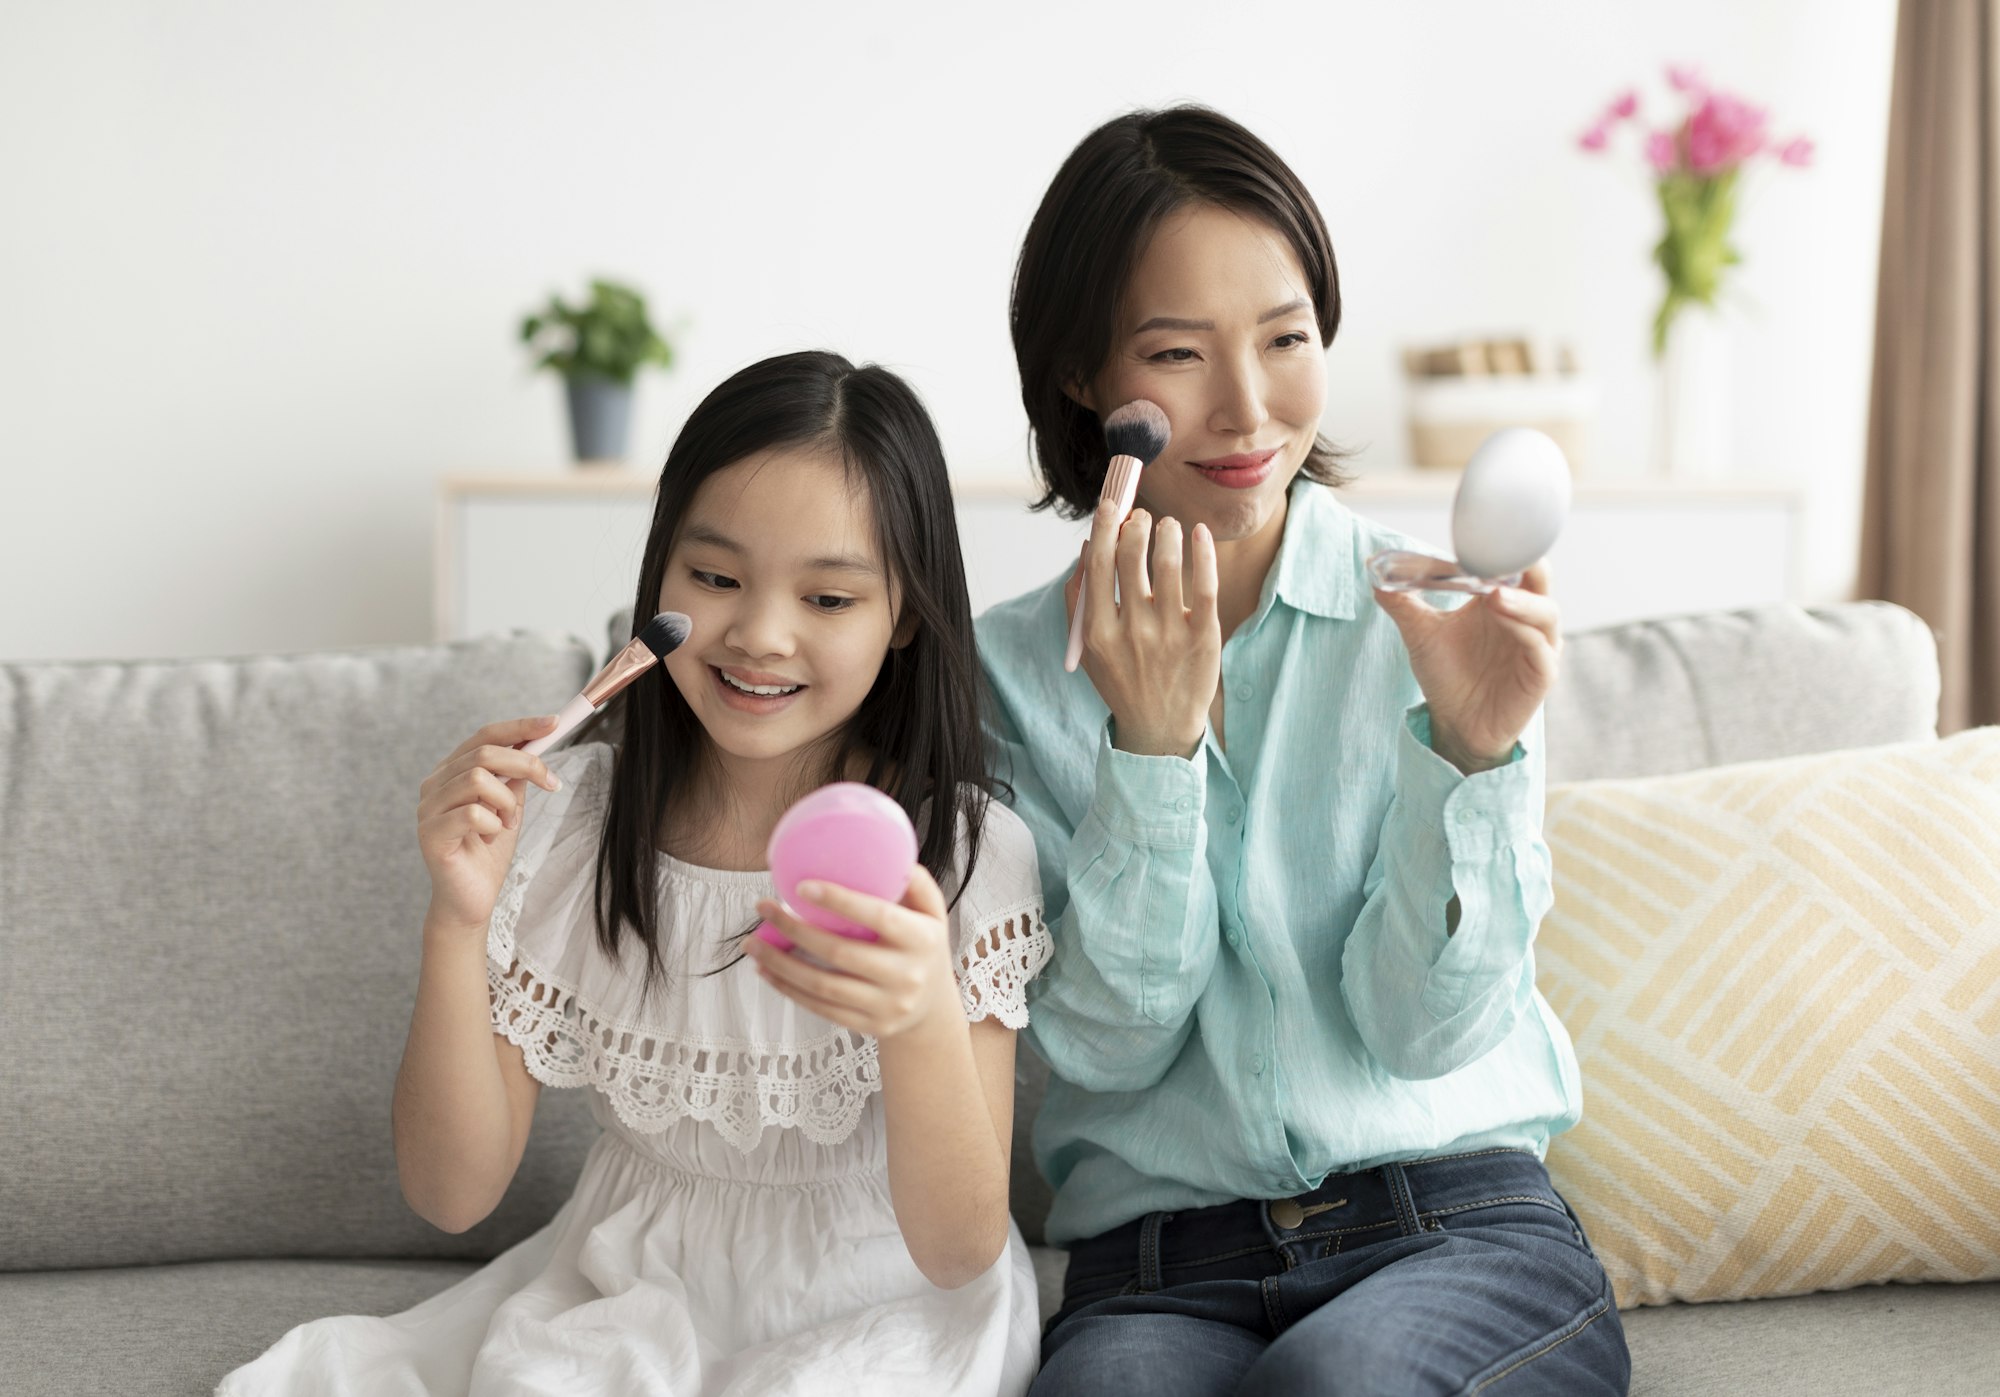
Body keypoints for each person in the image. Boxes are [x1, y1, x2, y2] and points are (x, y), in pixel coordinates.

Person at [219, 350, 1052, 1396]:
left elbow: (956, 1248)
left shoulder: (962, 853)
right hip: (629, 1289)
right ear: (659, 576)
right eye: (713, 578)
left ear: (906, 618)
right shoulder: (572, 828)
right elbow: (451, 1191)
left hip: (882, 1299)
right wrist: (456, 922)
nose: (759, 632)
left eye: (829, 595)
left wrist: (918, 1011)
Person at [978, 107, 1631, 1395]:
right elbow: (1105, 1047)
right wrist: (1151, 754)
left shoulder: (1440, 616)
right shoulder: (1001, 678)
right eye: (1177, 352)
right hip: (1156, 1266)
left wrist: (1467, 746)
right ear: (1079, 376)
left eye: (1285, 339)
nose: (1245, 406)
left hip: (1453, 1228)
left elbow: (1423, 1029)